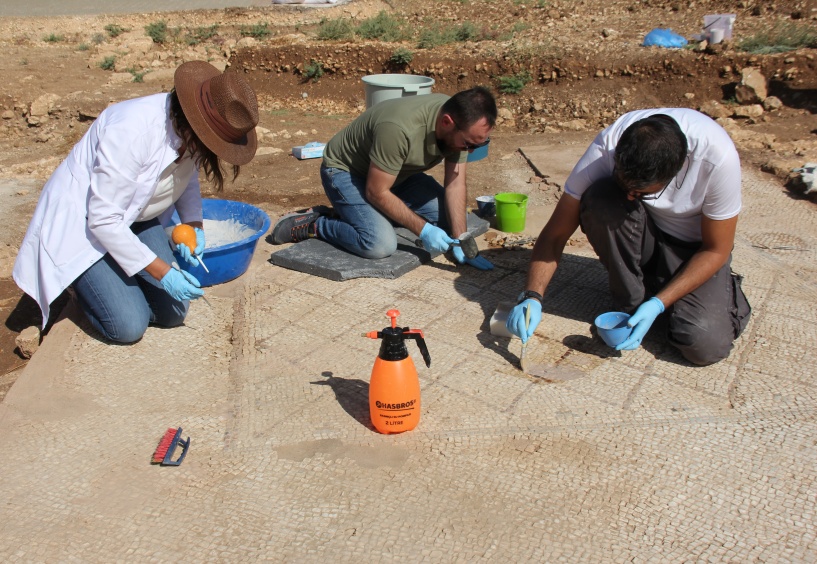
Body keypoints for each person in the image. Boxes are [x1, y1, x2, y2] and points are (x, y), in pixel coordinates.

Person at [13, 61, 259, 344]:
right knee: (129, 325)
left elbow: (186, 177)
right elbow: (103, 221)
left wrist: (194, 225)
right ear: (198, 125)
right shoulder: (131, 132)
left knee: (174, 312)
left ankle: (117, 280)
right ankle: (84, 288)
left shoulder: (190, 131)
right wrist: (164, 274)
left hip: (135, 218)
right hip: (86, 226)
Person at [506, 109, 751, 365]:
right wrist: (532, 296)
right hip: (646, 235)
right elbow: (555, 234)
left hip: (694, 251)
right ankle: (633, 303)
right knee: (601, 198)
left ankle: (695, 295)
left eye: (642, 194)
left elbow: (716, 249)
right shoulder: (609, 145)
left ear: (677, 170)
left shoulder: (717, 159)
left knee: (703, 344)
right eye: (625, 185)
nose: (631, 196)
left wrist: (658, 304)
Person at [270, 87, 497, 270]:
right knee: (379, 244)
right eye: (468, 144)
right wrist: (424, 231)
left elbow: (455, 183)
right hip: (347, 173)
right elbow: (376, 191)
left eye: (479, 144)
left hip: (397, 175)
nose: (470, 150)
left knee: (454, 221)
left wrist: (462, 238)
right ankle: (316, 224)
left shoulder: (460, 121)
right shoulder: (399, 128)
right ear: (447, 122)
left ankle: (358, 214)